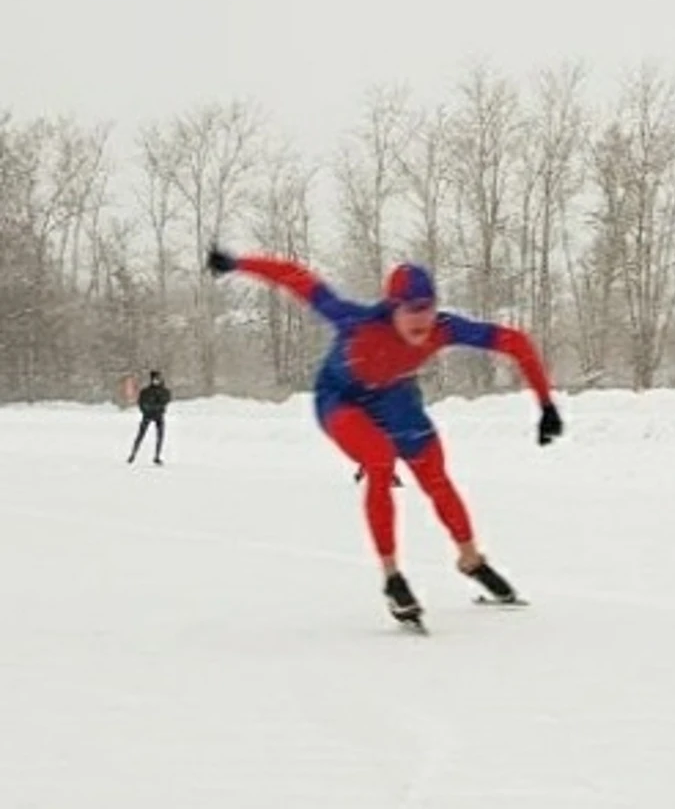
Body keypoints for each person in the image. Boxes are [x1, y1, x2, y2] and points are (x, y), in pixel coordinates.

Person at [207, 246, 564, 628]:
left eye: (427, 307)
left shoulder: (443, 328)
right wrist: (236, 264)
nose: (421, 319)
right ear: (392, 307)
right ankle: (393, 578)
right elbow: (296, 278)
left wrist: (546, 405)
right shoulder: (356, 321)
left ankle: (470, 559)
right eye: (410, 309)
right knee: (380, 460)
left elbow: (516, 342)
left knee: (435, 475)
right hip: (341, 400)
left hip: (395, 396)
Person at [127, 371, 171, 465]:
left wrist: (156, 407)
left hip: (158, 416)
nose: (156, 381)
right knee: (140, 436)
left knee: (160, 437)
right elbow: (141, 403)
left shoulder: (164, 391)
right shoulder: (146, 391)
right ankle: (133, 454)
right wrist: (146, 410)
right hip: (147, 415)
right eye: (155, 379)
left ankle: (157, 456)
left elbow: (165, 401)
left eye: (158, 379)